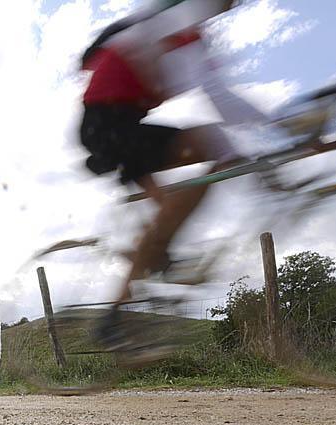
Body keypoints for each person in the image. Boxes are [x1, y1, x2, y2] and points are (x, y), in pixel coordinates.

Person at [79, 0, 267, 346]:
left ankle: (116, 314)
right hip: (108, 124)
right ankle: (154, 269)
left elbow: (215, 89)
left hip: (118, 122)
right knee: (213, 148)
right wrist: (284, 126)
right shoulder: (181, 19)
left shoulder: (186, 25)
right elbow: (216, 94)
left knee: (171, 212)